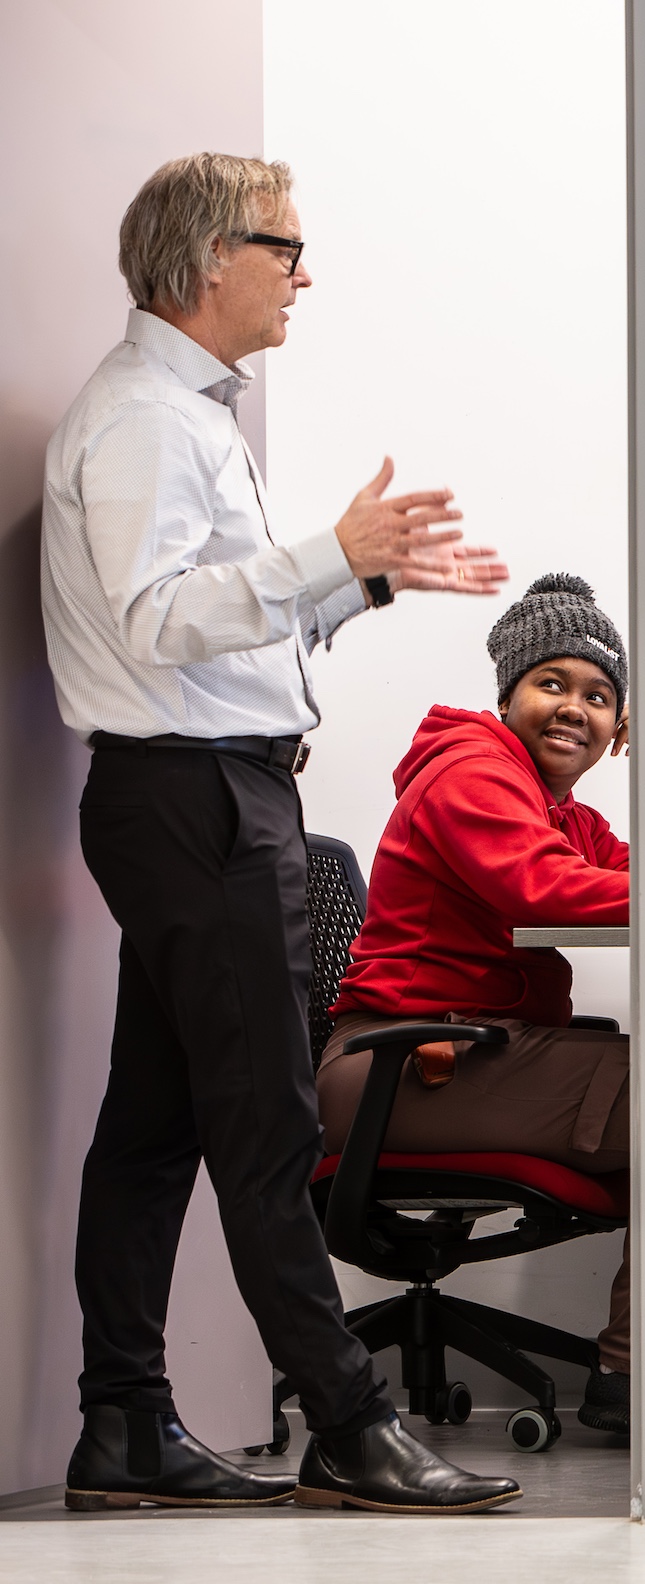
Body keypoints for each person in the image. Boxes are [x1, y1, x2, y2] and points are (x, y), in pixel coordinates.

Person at [43, 152, 521, 1513]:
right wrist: (322, 551)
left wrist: (357, 576)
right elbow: (158, 623)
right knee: (263, 1122)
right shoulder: (146, 419)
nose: (303, 274)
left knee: (154, 1128)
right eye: (285, 247)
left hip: (206, 790)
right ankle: (352, 1425)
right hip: (192, 798)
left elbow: (223, 629)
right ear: (209, 259)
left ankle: (125, 1425)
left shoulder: (190, 417)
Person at [319, 574, 645, 1436]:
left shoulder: (554, 809)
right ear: (508, 693)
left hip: (462, 1054)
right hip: (403, 1065)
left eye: (598, 696)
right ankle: (642, 1377)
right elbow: (543, 889)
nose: (574, 709)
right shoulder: (470, 771)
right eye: (552, 684)